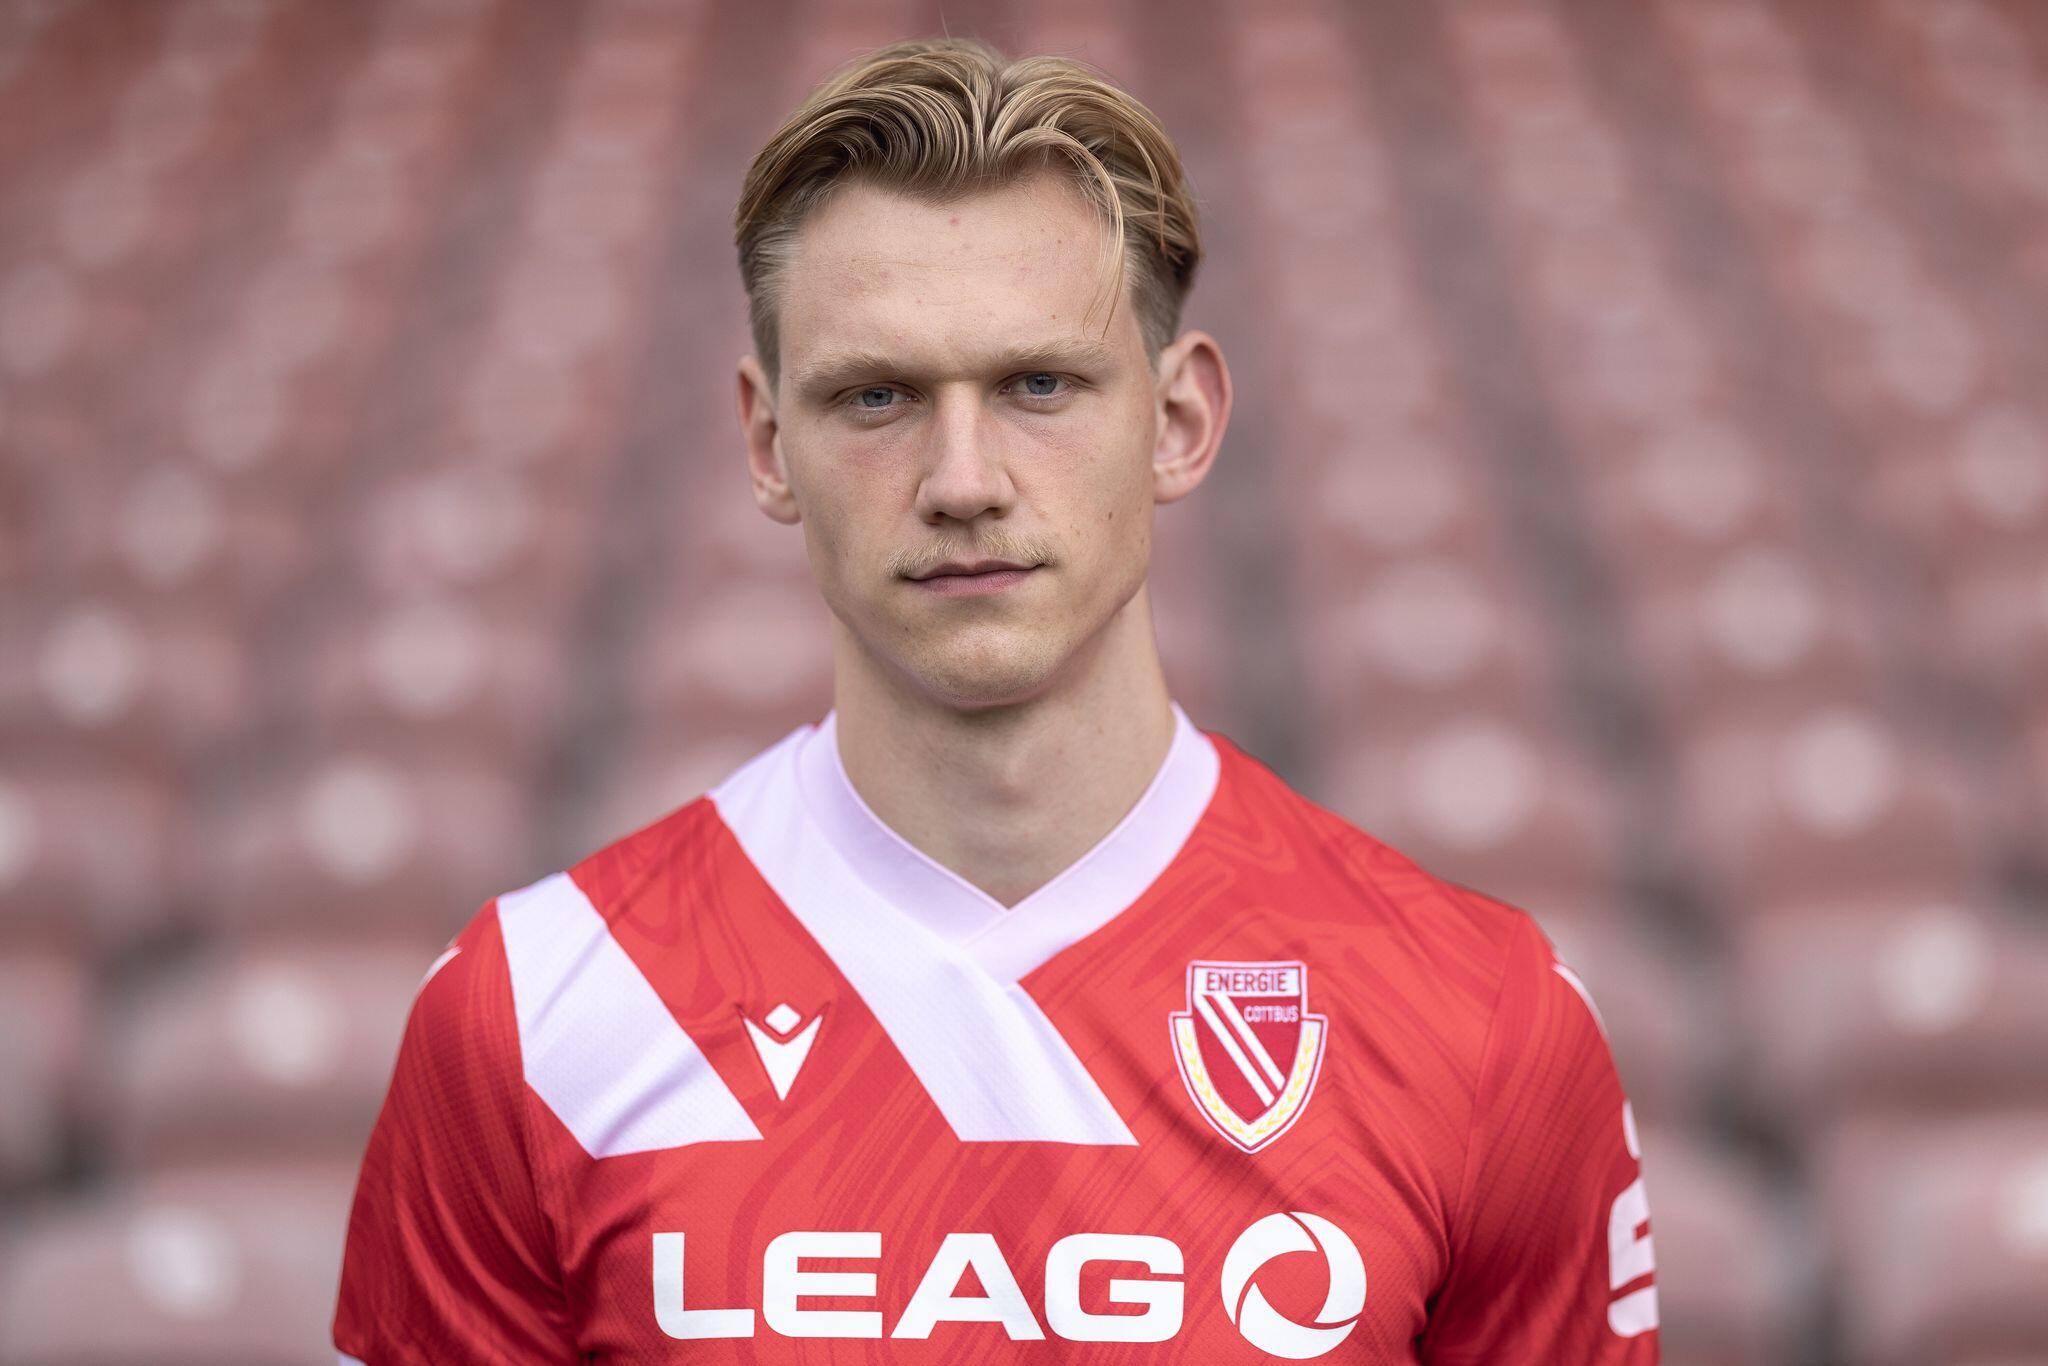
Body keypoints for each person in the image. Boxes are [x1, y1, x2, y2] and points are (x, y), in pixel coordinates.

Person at [333, 35, 1658, 1363]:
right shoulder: (537, 1014)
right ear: (768, 442)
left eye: (1039, 385)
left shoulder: (1483, 1023)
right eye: (877, 396)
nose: (963, 480)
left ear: (1180, 420)